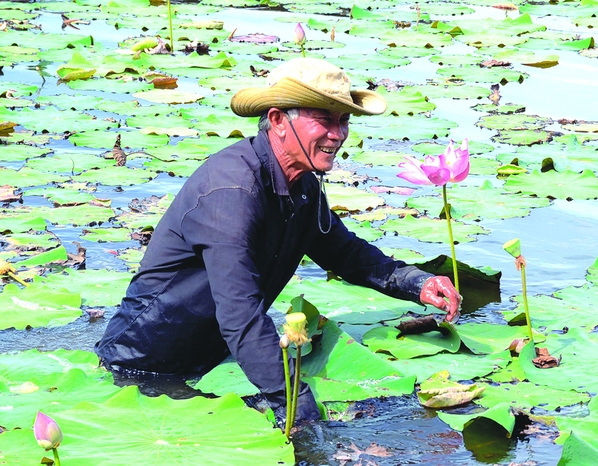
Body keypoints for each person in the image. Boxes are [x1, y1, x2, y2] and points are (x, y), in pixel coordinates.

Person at [95, 57, 461, 425]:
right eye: (324, 119)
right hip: (139, 370)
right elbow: (240, 316)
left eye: (343, 120)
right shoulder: (231, 191)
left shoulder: (302, 185)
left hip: (211, 357)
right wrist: (299, 408)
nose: (338, 134)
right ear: (277, 120)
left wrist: (417, 282)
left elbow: (346, 254)